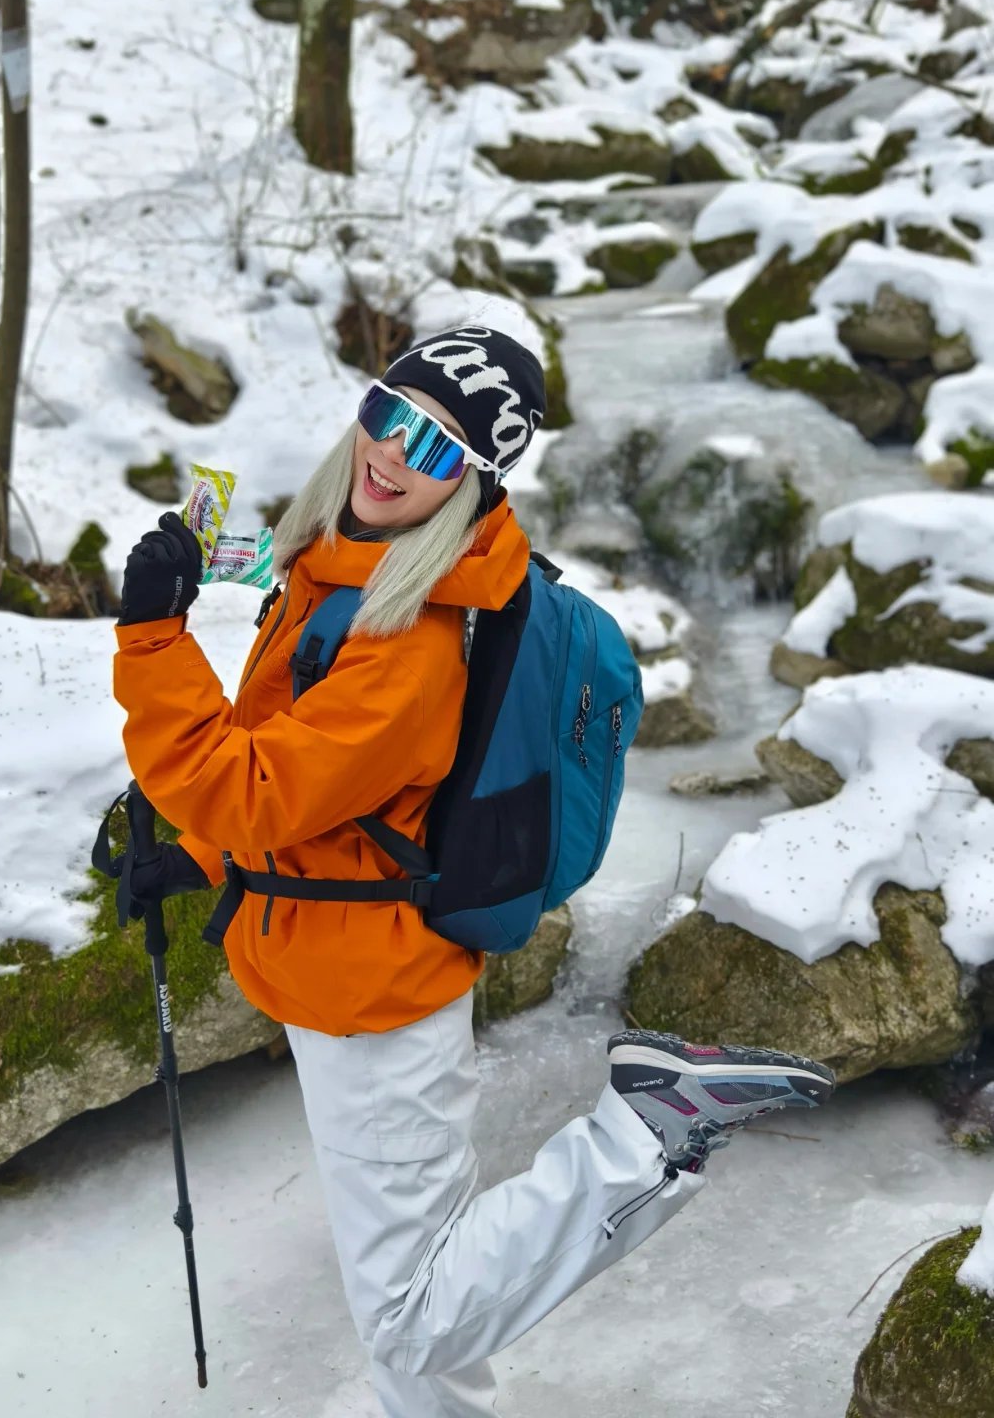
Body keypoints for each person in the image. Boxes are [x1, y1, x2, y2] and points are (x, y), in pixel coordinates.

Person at [113, 326, 834, 1417]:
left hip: (375, 996)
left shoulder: (414, 639)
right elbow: (301, 779)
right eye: (390, 413)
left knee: (412, 1311)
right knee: (419, 1317)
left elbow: (254, 787)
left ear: (475, 482)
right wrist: (193, 858)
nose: (395, 453)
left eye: (440, 449)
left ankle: (646, 1133)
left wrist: (154, 641)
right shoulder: (340, 560)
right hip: (326, 966)